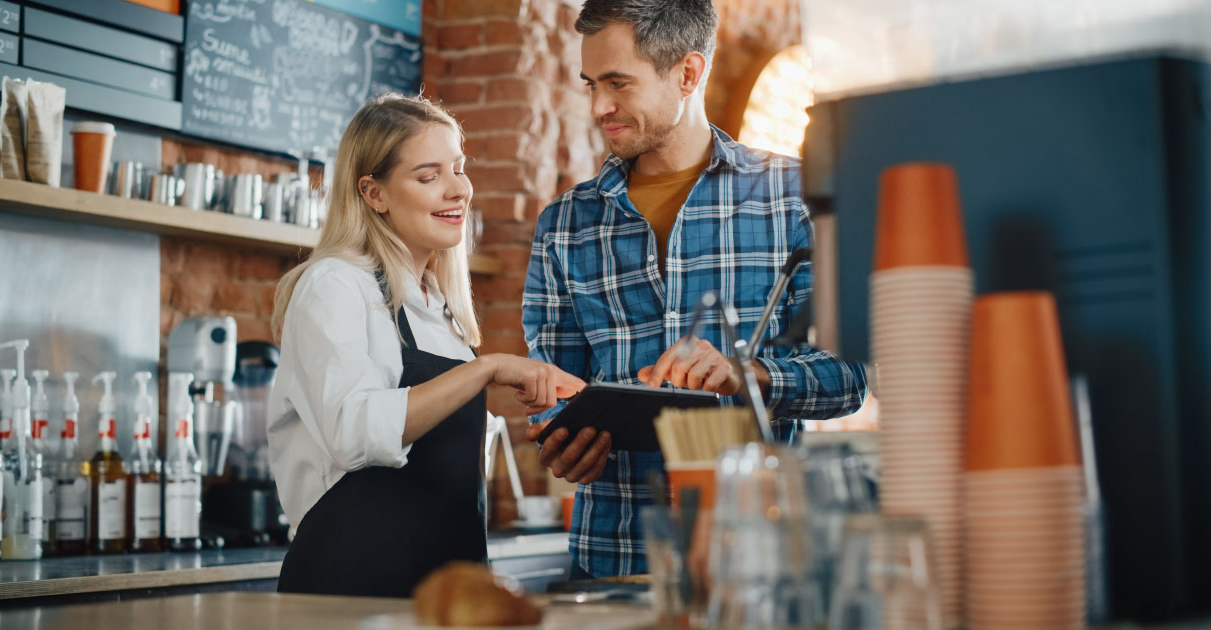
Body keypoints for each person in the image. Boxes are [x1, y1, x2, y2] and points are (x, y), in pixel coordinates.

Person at [521, 0, 870, 578]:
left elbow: (851, 378)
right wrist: (563, 439)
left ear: (688, 72)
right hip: (614, 561)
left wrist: (748, 373)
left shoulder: (794, 199)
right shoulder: (565, 223)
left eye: (617, 83)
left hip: (763, 562)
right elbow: (555, 389)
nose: (599, 107)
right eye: (590, 85)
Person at [268, 94, 585, 597]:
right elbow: (354, 433)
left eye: (458, 168)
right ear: (374, 193)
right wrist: (488, 370)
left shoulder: (438, 307)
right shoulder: (334, 285)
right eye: (429, 176)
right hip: (350, 592)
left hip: (442, 590)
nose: (458, 189)